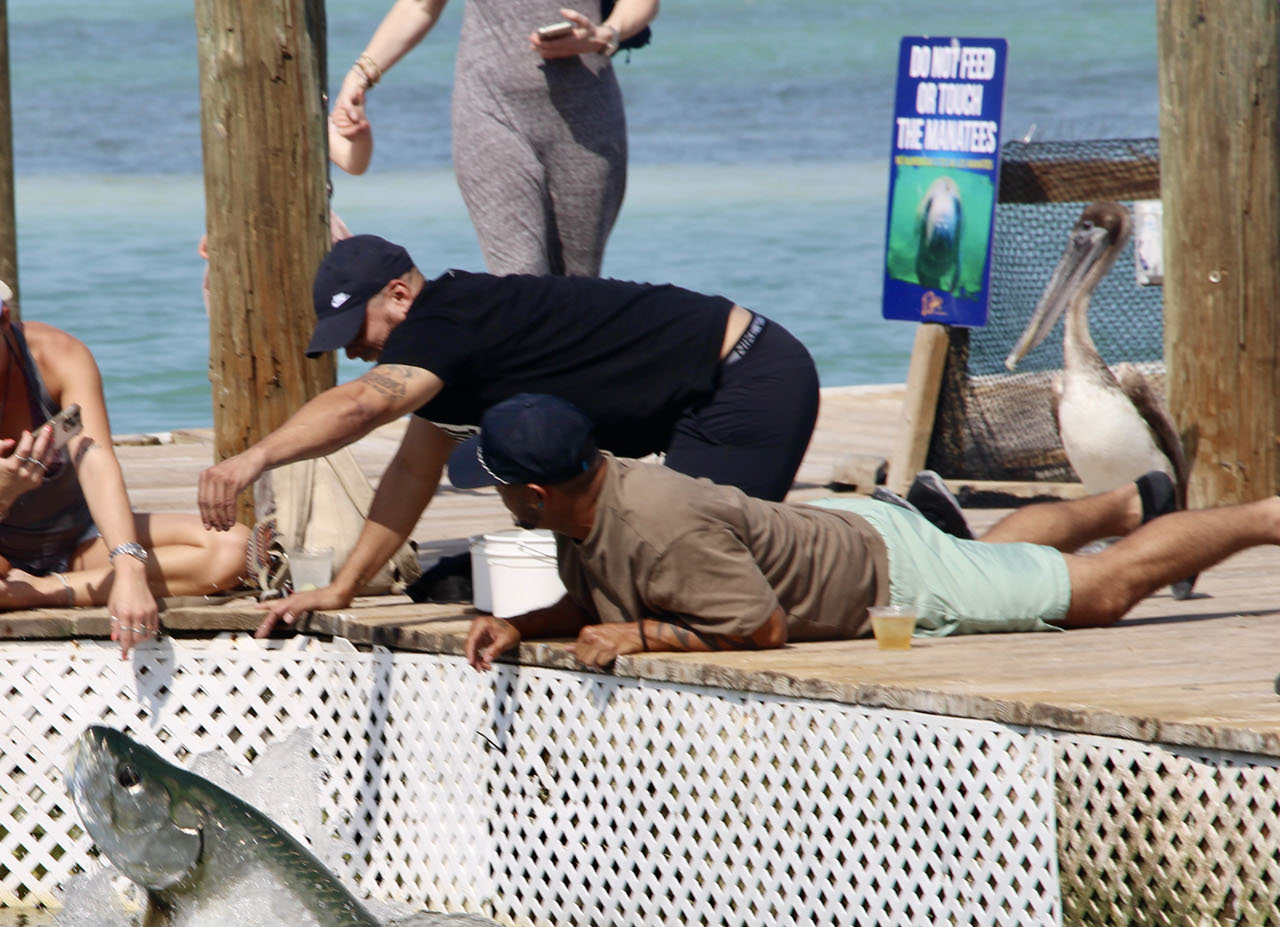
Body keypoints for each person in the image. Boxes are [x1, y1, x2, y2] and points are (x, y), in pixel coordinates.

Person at [204, 234, 819, 630]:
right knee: (650, 589)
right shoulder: (449, 353)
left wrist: (251, 461)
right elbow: (412, 475)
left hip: (744, 375)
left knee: (696, 574)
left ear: (398, 295)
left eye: (356, 332)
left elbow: (364, 406)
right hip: (706, 394)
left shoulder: (446, 320)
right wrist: (342, 588)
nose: (359, 352)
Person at [0, 258, 249, 917]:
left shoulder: (57, 359)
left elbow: (96, 458)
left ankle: (55, 592)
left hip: (76, 538)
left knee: (233, 549)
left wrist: (130, 564)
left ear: (4, 320)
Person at [447, 393, 1278, 671]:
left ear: (533, 491)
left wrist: (639, 635)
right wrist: (519, 626)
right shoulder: (585, 501)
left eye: (496, 487)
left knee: (1099, 593)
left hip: (892, 579)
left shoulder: (659, 525)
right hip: (857, 535)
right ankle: (1132, 506)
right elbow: (590, 599)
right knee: (982, 559)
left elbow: (758, 627)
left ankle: (1264, 519)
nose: (495, 499)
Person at [332, 0, 661, 276]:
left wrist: (606, 33)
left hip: (587, 114)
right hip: (490, 108)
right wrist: (361, 74)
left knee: (578, 285)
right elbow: (421, 5)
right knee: (519, 276)